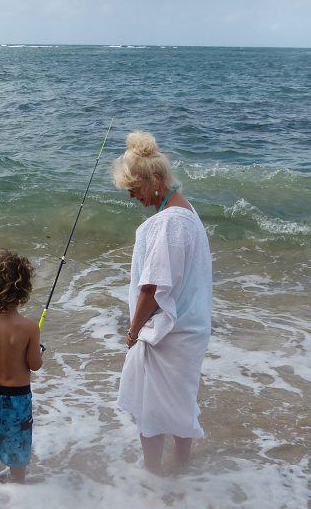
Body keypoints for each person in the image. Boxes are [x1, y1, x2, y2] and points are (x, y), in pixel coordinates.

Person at [111, 130, 213, 475]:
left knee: (150, 407)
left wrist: (134, 329)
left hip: (169, 332)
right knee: (181, 403)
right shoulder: (185, 209)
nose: (132, 197)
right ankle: (183, 469)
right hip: (192, 325)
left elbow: (152, 288)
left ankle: (152, 475)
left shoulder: (167, 223)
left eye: (134, 188)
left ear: (155, 179)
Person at [0, 249, 44, 484]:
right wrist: (39, 350)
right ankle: (17, 488)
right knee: (17, 446)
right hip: (17, 398)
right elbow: (34, 365)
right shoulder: (29, 327)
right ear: (24, 288)